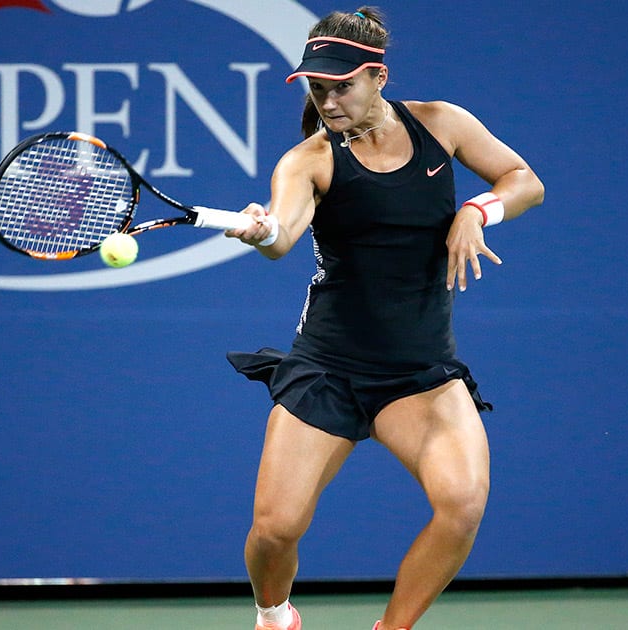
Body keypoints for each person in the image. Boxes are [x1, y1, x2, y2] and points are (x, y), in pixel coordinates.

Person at [224, 7, 545, 630]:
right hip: (327, 369)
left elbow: (523, 181)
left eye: (342, 85)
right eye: (318, 88)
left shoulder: (441, 124)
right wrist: (259, 231)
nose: (329, 99)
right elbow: (282, 235)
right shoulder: (307, 161)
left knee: (462, 504)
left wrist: (477, 210)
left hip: (420, 374)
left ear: (379, 77)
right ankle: (274, 615)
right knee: (274, 529)